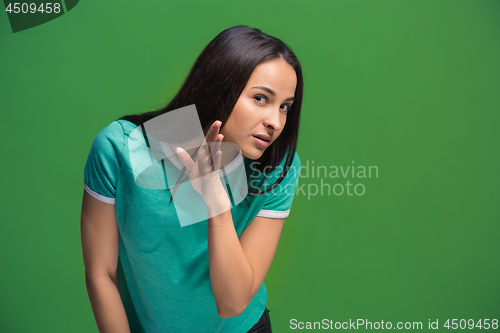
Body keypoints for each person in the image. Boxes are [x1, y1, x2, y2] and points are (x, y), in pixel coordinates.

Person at [80, 25, 304, 333]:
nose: (275, 122)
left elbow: (232, 302)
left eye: (285, 107)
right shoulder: (121, 149)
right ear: (220, 87)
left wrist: (217, 204)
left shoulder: (278, 167)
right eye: (261, 98)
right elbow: (100, 273)